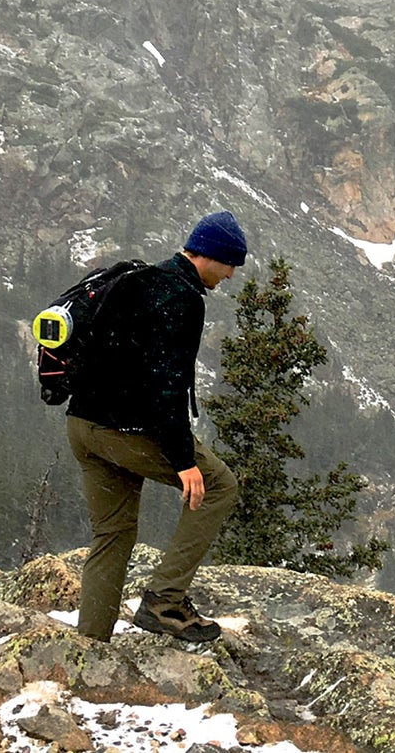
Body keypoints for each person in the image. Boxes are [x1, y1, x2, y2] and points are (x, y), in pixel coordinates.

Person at [65, 210, 248, 643]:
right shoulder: (182, 297)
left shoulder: (137, 279)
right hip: (122, 432)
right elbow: (165, 388)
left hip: (82, 426)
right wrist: (184, 461)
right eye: (230, 263)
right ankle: (165, 601)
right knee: (219, 485)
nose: (231, 274)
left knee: (112, 534)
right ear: (210, 256)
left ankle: (90, 647)